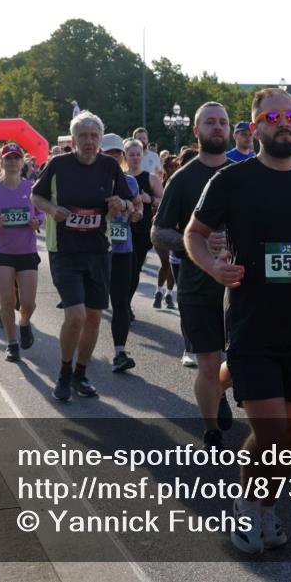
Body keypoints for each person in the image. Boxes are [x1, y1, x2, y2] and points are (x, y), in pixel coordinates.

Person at [185, 87, 291, 555]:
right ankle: (245, 507)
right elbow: (194, 235)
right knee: (273, 433)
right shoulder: (232, 181)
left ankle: (266, 507)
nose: (283, 123)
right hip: (251, 324)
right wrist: (213, 266)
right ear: (256, 124)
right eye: (273, 115)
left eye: (290, 116)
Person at [32, 110, 135, 402]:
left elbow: (130, 201)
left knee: (93, 318)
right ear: (74, 139)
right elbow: (35, 196)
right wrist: (52, 211)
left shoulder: (109, 167)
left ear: (100, 139)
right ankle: (64, 373)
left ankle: (80, 373)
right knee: (75, 316)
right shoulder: (58, 164)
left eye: (94, 136)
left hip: (98, 251)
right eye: (83, 136)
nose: (89, 141)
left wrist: (121, 204)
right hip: (64, 251)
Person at [153, 102, 235, 448]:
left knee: (240, 360)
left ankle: (219, 392)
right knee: (207, 361)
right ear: (196, 131)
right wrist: (196, 242)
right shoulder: (183, 179)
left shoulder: (241, 175)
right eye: (210, 123)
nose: (217, 128)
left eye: (222, 122)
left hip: (239, 287)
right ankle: (211, 430)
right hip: (198, 287)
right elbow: (158, 233)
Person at [0, 143, 43, 360]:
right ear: (1, 162)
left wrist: (36, 221)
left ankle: (24, 323)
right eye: (8, 158)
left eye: (16, 158)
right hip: (2, 250)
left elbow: (43, 215)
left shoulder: (32, 188)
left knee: (28, 303)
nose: (13, 162)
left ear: (22, 162)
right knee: (6, 299)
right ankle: (12, 342)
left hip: (27, 250)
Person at [99, 134, 142, 373]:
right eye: (108, 154)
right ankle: (80, 350)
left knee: (121, 302)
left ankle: (120, 352)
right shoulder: (89, 181)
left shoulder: (130, 182)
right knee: (91, 305)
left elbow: (138, 210)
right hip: (94, 250)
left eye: (117, 154)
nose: (113, 158)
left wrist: (132, 211)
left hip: (122, 248)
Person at [124, 138, 164, 318]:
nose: (135, 158)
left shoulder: (151, 178)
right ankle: (122, 303)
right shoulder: (121, 177)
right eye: (131, 154)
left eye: (138, 154)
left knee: (134, 270)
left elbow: (165, 202)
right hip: (122, 230)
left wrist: (151, 200)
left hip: (142, 231)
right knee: (123, 270)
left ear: (143, 156)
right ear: (125, 156)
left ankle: (126, 305)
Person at [153, 153, 179, 310]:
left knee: (173, 263)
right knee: (165, 263)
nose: (174, 169)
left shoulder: (182, 183)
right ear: (165, 168)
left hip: (176, 231)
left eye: (176, 166)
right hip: (161, 230)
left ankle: (168, 294)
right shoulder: (161, 185)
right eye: (170, 167)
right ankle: (158, 291)